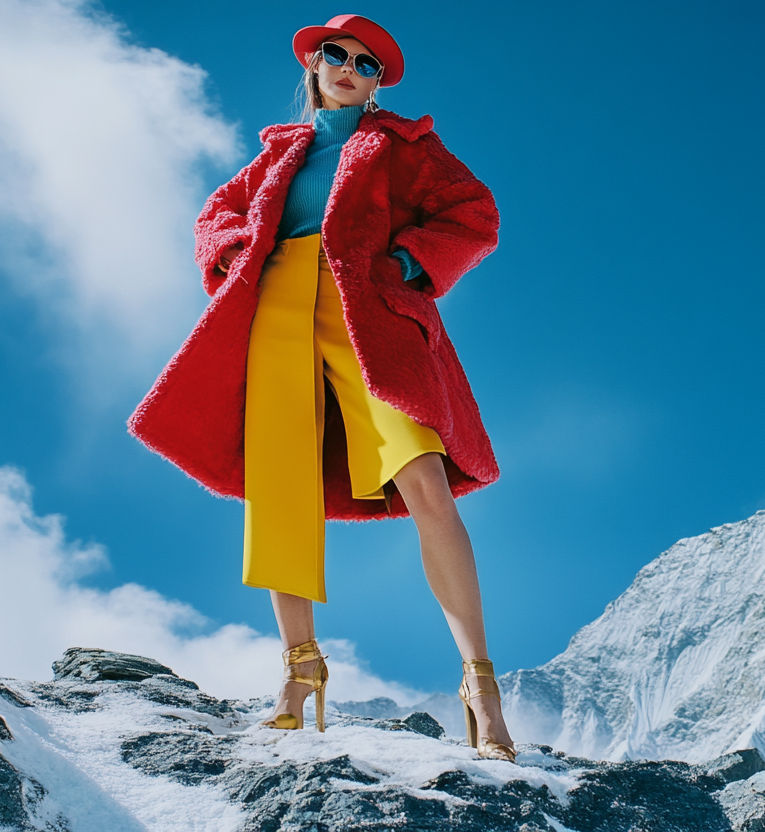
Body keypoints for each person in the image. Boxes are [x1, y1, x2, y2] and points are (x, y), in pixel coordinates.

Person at [128, 13, 515, 763]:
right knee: (280, 491)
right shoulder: (280, 151)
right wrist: (241, 251)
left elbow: (475, 215)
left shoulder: (406, 147)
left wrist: (405, 267)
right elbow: (217, 215)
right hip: (276, 310)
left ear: (377, 84)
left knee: (424, 483)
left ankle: (480, 686)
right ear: (312, 64)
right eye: (335, 54)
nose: (347, 67)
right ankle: (300, 674)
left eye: (365, 63)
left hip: (368, 314)